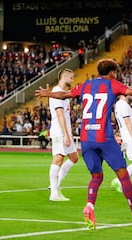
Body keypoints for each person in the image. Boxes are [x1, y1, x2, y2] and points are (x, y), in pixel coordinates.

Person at [35, 58, 132, 230]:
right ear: (112, 72)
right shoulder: (112, 84)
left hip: (86, 139)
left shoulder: (85, 85)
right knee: (123, 176)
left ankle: (89, 206)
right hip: (104, 137)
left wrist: (48, 94)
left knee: (96, 176)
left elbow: (63, 95)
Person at [48, 68, 79, 201]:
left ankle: (55, 185)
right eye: (71, 78)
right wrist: (66, 134)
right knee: (58, 159)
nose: (72, 80)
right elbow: (60, 114)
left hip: (64, 131)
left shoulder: (64, 94)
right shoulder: (56, 92)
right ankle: (54, 193)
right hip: (59, 131)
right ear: (65, 77)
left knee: (74, 157)